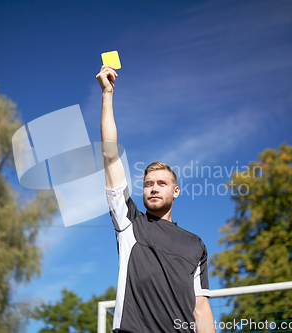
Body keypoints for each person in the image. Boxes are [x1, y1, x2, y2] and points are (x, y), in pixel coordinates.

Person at [96, 65, 216, 333]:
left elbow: (201, 309)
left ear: (176, 191)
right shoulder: (129, 223)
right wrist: (107, 95)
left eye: (162, 183)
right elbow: (110, 155)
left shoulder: (196, 245)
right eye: (148, 184)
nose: (153, 188)